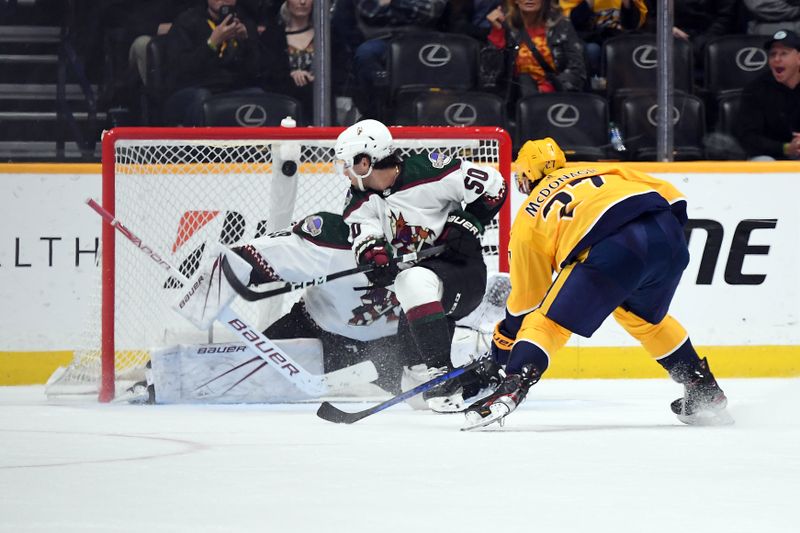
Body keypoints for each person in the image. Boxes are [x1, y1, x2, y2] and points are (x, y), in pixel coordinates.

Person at [463, 137, 733, 430]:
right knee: (643, 319)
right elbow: (675, 198)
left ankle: (516, 383)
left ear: (527, 176)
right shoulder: (603, 171)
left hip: (613, 248)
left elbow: (529, 300)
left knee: (547, 322)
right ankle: (702, 386)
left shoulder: (528, 218)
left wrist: (503, 348)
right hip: (668, 237)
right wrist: (660, 247)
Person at [334, 119, 508, 411]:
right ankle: (479, 375)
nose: (345, 173)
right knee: (416, 394)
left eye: (348, 164)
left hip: (461, 272)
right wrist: (374, 258)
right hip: (423, 292)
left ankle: (443, 373)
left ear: (365, 162)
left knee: (410, 280)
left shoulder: (430, 169)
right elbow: (365, 237)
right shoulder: (358, 201)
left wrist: (469, 223)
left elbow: (495, 185)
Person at [162, 0, 267, 126]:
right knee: (202, 97)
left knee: (258, 95)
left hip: (231, 89)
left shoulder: (245, 23)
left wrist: (247, 42)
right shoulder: (187, 21)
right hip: (194, 89)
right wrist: (212, 44)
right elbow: (180, 71)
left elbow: (255, 72)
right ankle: (199, 145)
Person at [485, 0, 587, 99]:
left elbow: (577, 70)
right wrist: (497, 33)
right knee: (524, 79)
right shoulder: (506, 27)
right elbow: (489, 76)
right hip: (517, 100)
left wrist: (549, 88)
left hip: (556, 97)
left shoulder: (561, 25)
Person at [736, 29, 800, 160]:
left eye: (784, 54)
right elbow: (748, 137)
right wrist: (786, 148)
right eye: (773, 54)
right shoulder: (756, 89)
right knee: (764, 162)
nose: (777, 59)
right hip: (770, 155)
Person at [559, 0, 648, 78]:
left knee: (628, 48)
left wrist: (627, 4)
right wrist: (589, 3)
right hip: (587, 38)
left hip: (619, 37)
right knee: (592, 50)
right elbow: (569, 23)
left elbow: (634, 25)